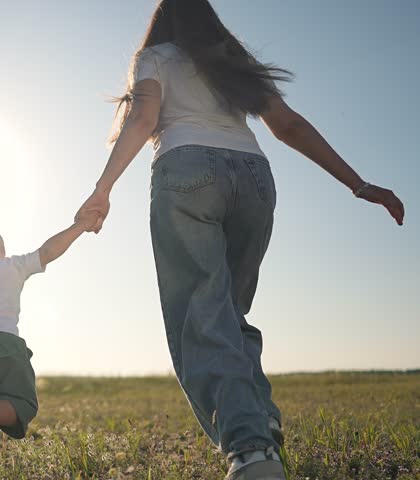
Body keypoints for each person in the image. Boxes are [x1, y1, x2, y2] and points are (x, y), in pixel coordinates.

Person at [76, 1, 405, 479]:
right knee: (228, 311)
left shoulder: (156, 56)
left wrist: (103, 188)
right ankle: (260, 416)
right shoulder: (235, 63)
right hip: (254, 179)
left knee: (202, 315)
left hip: (186, 171)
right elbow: (288, 126)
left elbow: (144, 116)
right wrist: (358, 184)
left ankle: (251, 451)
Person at [0, 212, 99, 480]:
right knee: (22, 401)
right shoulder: (12, 266)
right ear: (1, 252)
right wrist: (81, 225)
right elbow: (49, 250)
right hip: (2, 344)